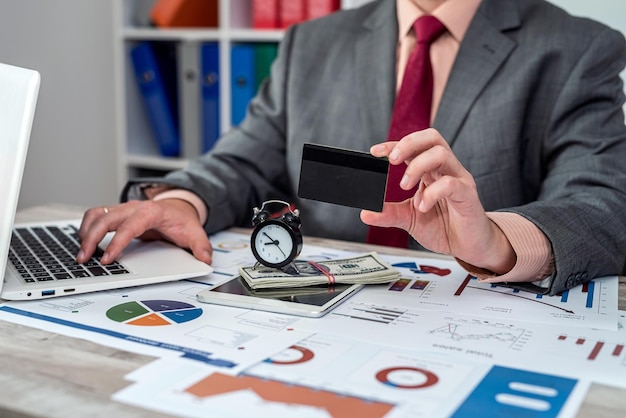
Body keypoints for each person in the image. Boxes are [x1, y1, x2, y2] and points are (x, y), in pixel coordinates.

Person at [78, 0, 626, 296]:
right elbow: (242, 160)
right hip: (313, 309)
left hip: (475, 307)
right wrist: (178, 203)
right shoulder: (310, 43)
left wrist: (496, 243)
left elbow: (602, 204)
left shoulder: (578, 48)